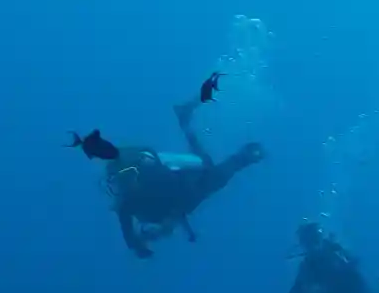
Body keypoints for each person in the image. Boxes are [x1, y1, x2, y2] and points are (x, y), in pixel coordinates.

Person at [106, 99, 264, 258]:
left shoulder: (140, 191)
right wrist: (144, 242)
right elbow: (130, 238)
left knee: (212, 171)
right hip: (180, 197)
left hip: (188, 188)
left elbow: (181, 188)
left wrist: (171, 218)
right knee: (211, 170)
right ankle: (186, 120)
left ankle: (242, 154)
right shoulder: (126, 203)